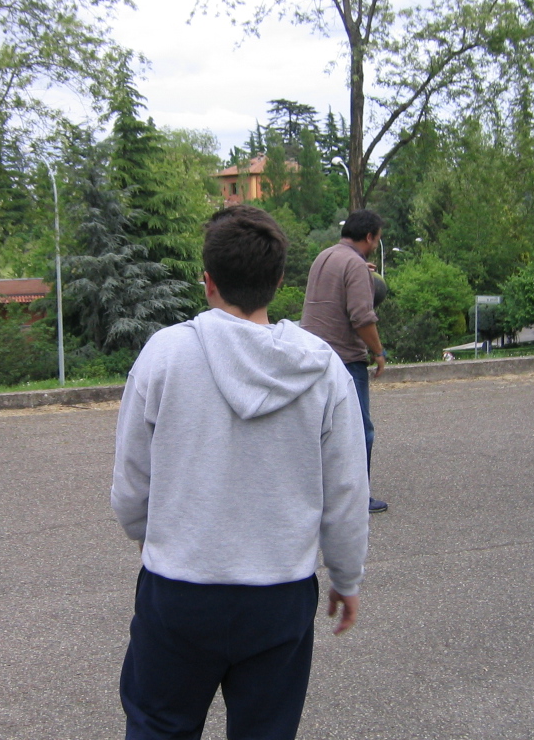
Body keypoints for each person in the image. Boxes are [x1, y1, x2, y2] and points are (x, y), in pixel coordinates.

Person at [111, 205, 370, 740]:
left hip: (179, 587)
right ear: (279, 281)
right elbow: (346, 491)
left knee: (159, 726)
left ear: (207, 281)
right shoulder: (322, 367)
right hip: (279, 593)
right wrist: (346, 577)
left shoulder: (165, 354)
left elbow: (131, 481)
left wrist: (146, 535)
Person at [300, 209, 390, 514]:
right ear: (369, 237)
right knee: (360, 431)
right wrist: (378, 352)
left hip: (313, 355)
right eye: (377, 239)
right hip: (345, 360)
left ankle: (320, 494)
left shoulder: (325, 257)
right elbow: (362, 318)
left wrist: (360, 271)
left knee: (321, 430)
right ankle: (357, 498)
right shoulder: (354, 265)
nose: (376, 244)